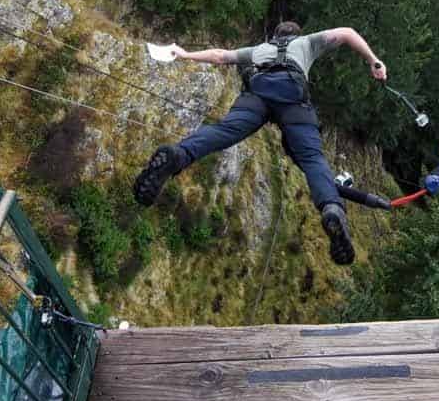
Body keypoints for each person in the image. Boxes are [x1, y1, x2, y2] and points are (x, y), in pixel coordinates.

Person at [134, 21, 387, 265]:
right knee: (312, 159)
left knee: (223, 131)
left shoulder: (259, 50)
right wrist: (373, 61)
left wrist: (185, 54)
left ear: (274, 36)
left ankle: (179, 154)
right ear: (296, 35)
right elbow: (346, 32)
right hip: (292, 98)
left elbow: (220, 56)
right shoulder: (307, 43)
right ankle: (332, 208)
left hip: (257, 94)